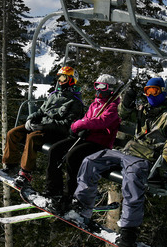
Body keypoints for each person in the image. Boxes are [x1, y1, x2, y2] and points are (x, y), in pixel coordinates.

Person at [70, 77, 167, 247]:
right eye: (148, 91)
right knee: (91, 161)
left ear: (162, 91)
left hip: (145, 158)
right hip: (128, 152)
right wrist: (129, 97)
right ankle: (82, 205)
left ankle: (129, 230)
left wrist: (166, 158)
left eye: (155, 91)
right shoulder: (143, 110)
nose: (151, 95)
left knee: (131, 181)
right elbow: (123, 113)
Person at [2, 66, 85, 187]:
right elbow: (41, 111)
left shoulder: (75, 102)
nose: (60, 81)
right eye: (59, 78)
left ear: (71, 80)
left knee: (32, 138)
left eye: (63, 78)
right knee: (13, 133)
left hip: (55, 132)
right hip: (42, 126)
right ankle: (11, 165)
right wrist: (31, 118)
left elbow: (67, 125)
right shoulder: (54, 95)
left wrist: (44, 127)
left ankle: (25, 173)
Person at [44, 74, 121, 202]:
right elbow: (87, 119)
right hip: (86, 138)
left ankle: (71, 194)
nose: (98, 89)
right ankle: (53, 189)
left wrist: (79, 124)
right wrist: (80, 127)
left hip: (99, 143)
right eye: (96, 85)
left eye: (102, 86)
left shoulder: (112, 107)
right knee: (55, 149)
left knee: (73, 156)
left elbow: (102, 122)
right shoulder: (95, 104)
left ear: (110, 89)